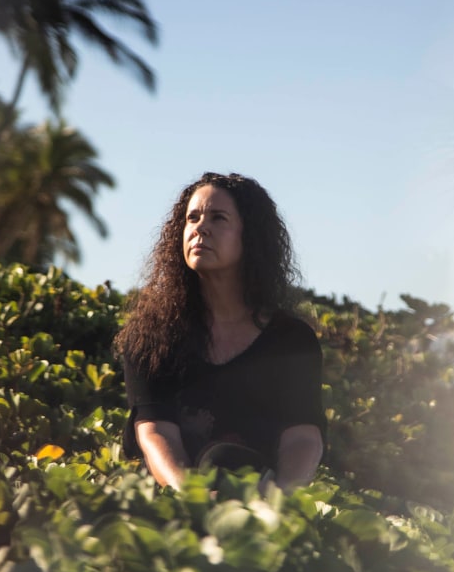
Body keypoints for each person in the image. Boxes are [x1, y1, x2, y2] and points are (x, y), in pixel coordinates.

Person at [116, 172, 325, 492]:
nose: (200, 228)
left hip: (260, 498)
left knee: (225, 458)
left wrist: (280, 500)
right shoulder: (151, 337)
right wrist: (194, 499)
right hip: (173, 503)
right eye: (193, 218)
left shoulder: (291, 340)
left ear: (250, 236)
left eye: (218, 218)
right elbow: (155, 432)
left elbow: (303, 436)